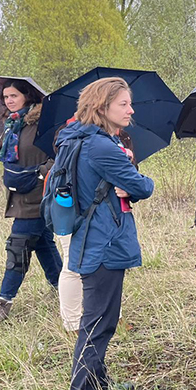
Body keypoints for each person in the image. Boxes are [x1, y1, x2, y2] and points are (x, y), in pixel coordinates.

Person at [62, 77, 154, 390]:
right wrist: (133, 174)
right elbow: (143, 187)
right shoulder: (102, 147)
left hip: (90, 239)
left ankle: (99, 383)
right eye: (124, 104)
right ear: (103, 107)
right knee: (99, 323)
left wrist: (122, 159)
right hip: (104, 243)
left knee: (98, 319)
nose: (131, 110)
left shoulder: (79, 138)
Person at [0, 79, 61, 323]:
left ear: (27, 96)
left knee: (18, 243)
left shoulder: (43, 122)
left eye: (13, 95)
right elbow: (15, 159)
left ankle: (3, 301)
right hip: (19, 192)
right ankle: (63, 287)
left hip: (40, 193)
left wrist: (42, 174)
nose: (9, 100)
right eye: (6, 97)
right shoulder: (12, 124)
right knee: (42, 243)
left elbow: (61, 154)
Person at [54, 118, 136, 333]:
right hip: (74, 209)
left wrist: (128, 162)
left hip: (109, 213)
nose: (128, 111)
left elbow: (129, 177)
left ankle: (113, 317)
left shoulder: (120, 135)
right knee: (72, 264)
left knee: (111, 264)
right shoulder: (72, 133)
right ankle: (72, 324)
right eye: (121, 103)